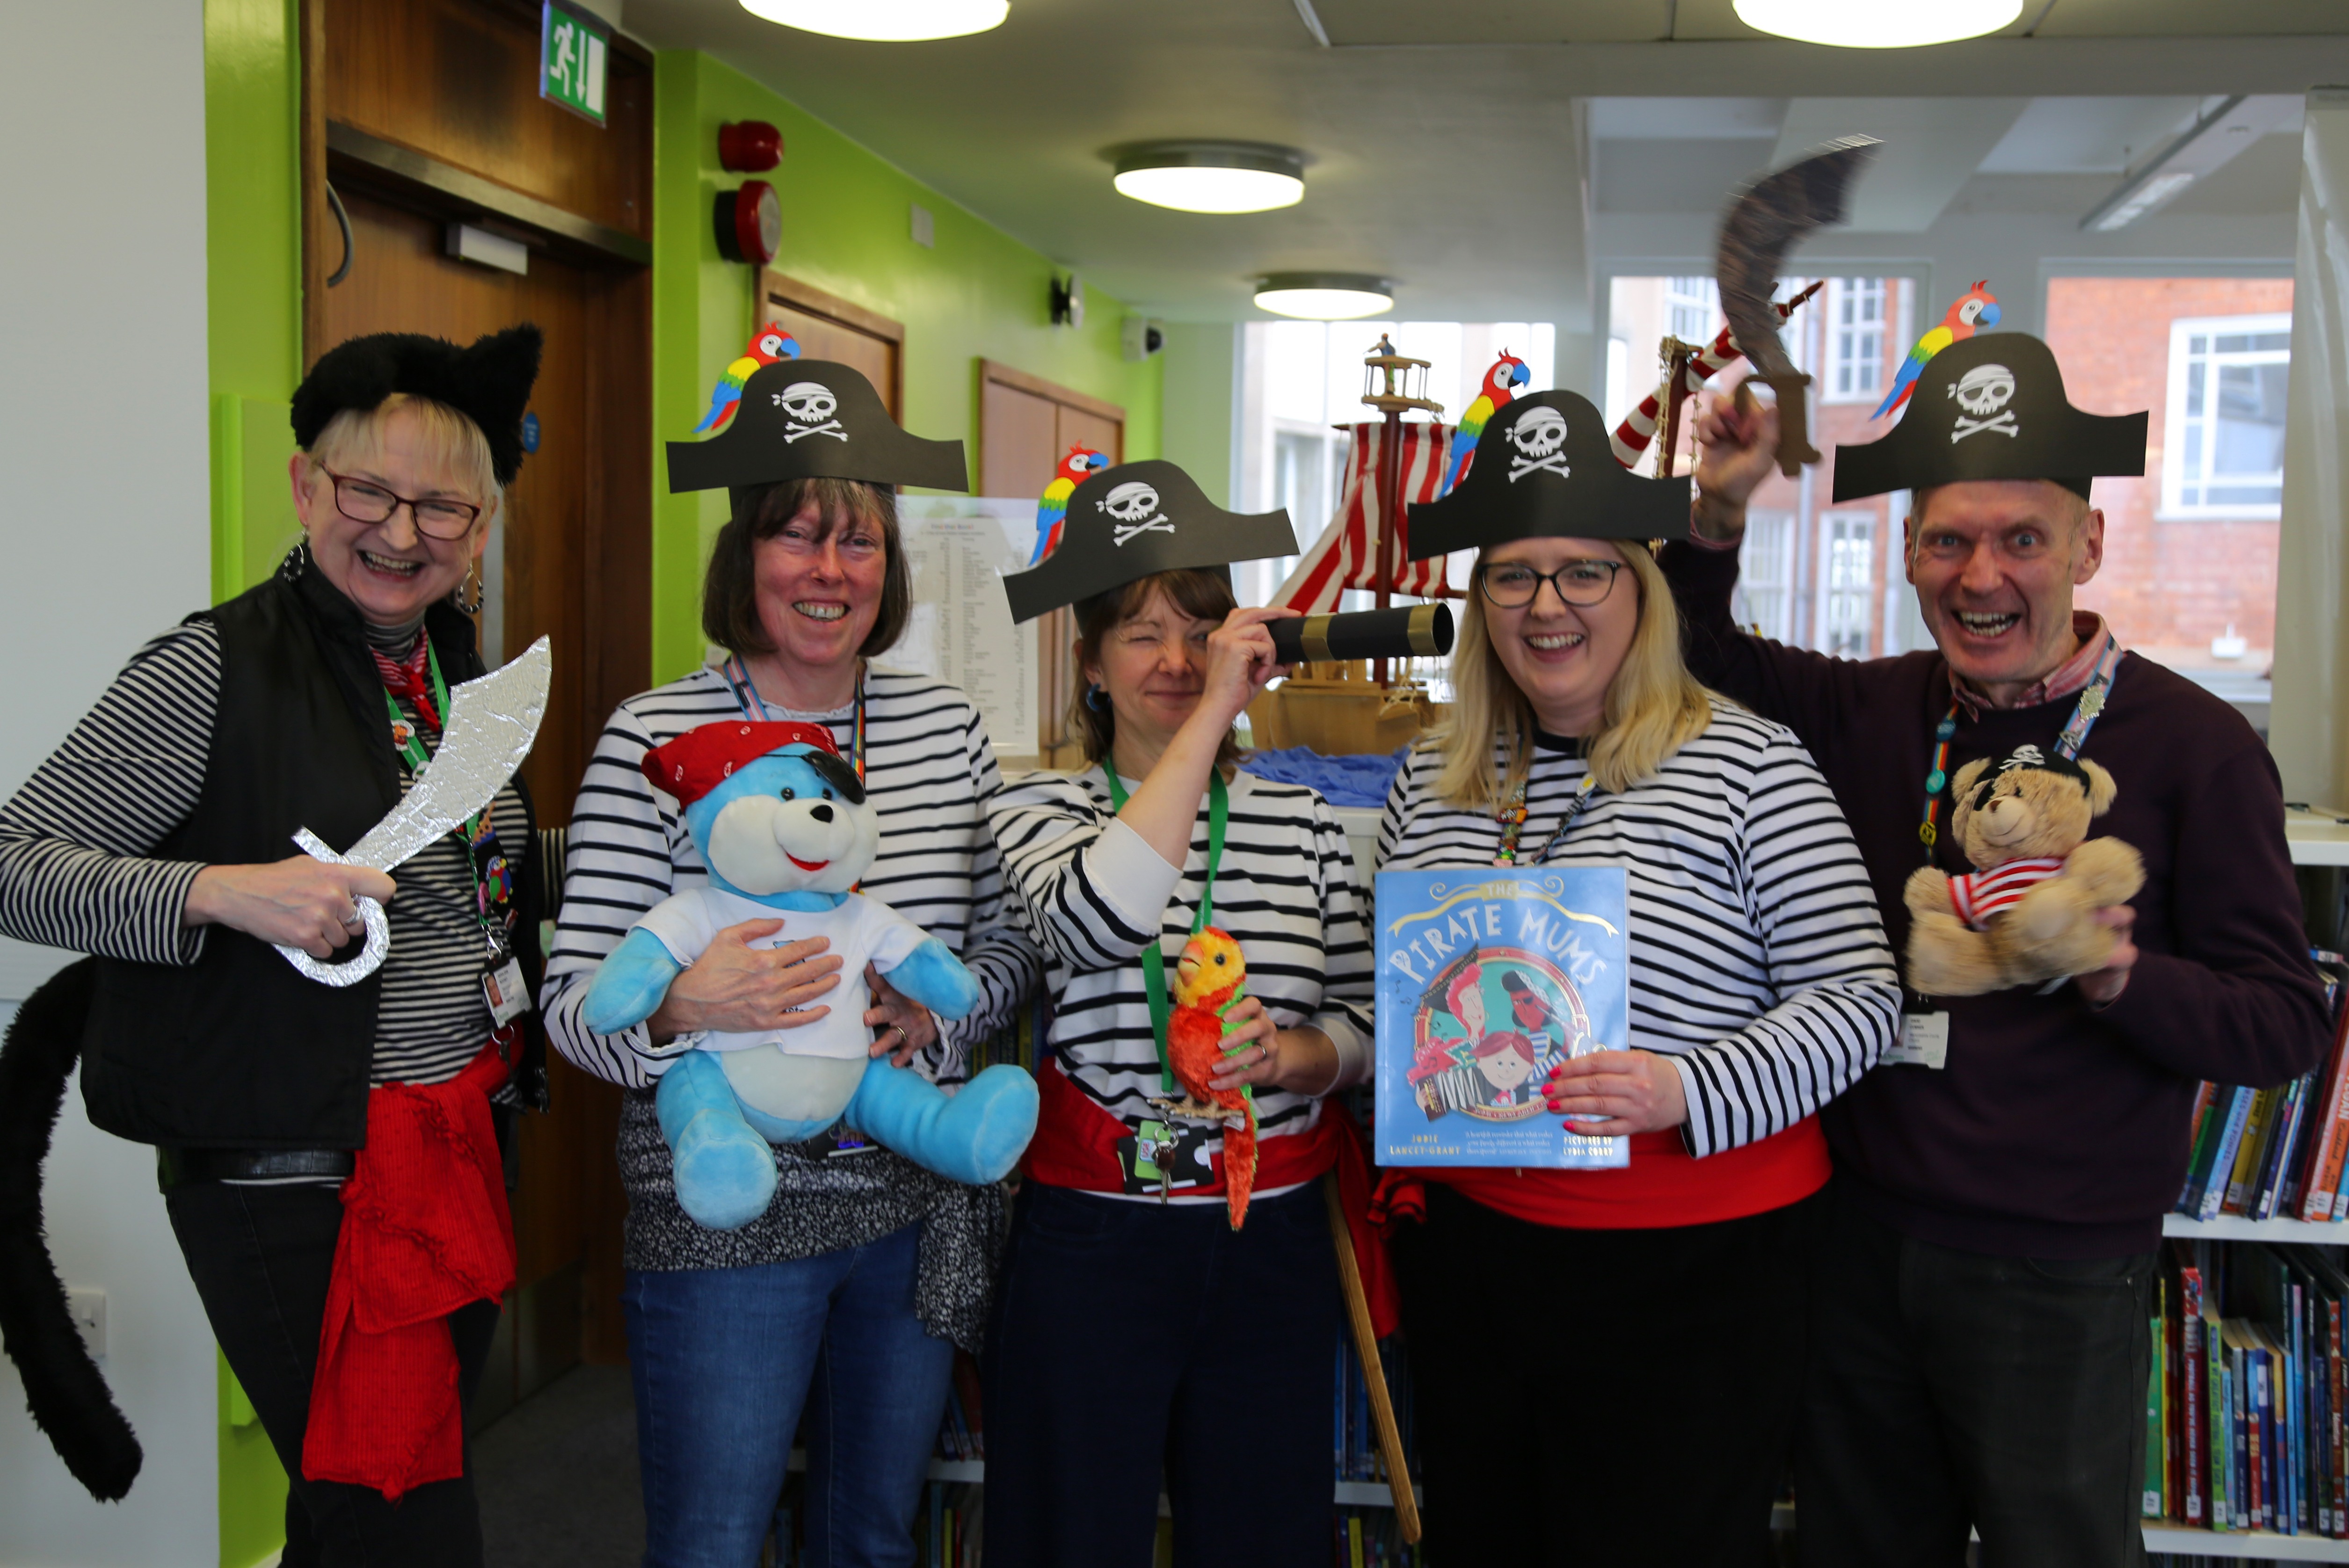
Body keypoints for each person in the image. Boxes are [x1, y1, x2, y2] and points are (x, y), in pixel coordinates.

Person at [1676, 332, 2331, 1567]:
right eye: (1946, 541)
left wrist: (2113, 973)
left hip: (2056, 1261)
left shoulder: (2193, 746)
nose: (1979, 574)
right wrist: (1716, 505)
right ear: (1910, 554)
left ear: (2086, 547)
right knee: (1859, 1547)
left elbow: (2281, 1024)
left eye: (2018, 539)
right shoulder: (1876, 706)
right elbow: (1698, 656)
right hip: (1857, 1237)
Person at [0, 327, 551, 1564]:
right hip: (294, 1173)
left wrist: (679, 842)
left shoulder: (450, 675)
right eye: (369, 492)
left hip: (447, 1145)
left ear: (483, 521)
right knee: (395, 1515)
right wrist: (224, 892)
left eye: (442, 508)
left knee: (353, 1513)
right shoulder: (212, 668)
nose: (402, 535)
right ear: (307, 486)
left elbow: (469, 875)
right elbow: (13, 861)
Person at [1375, 389, 1902, 1566]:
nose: (1546, 604)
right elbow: (1401, 1002)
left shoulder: (1752, 760)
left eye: (1583, 572)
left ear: (1641, 591)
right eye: (1512, 575)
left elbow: (1862, 997)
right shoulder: (1435, 774)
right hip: (1482, 1251)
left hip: (1698, 1267)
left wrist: (1685, 1085)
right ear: (1480, 604)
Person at [538, 356, 1041, 1568]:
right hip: (723, 1209)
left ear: (890, 566)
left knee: (868, 1537)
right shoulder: (651, 734)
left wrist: (940, 1027)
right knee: (712, 1540)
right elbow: (570, 1007)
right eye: (796, 538)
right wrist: (673, 1012)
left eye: (857, 543)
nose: (828, 572)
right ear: (742, 558)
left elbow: (1012, 942)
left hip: (907, 1200)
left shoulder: (945, 728)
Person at [981, 460, 1376, 1568]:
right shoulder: (1038, 804)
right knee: (1071, 1531)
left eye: (1199, 629)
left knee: (1265, 1535)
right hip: (1098, 1228)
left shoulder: (1303, 820)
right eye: (1141, 633)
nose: (1173, 658)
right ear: (1092, 664)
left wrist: (1300, 1054)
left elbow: (1369, 1022)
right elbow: (1092, 926)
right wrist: (1212, 721)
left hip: (1272, 1227)